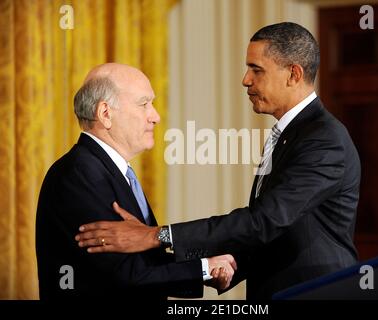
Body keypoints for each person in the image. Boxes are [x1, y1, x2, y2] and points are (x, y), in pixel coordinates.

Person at [75, 22, 361, 300]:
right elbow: (277, 228)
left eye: (256, 70)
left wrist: (157, 236)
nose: (245, 80)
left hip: (315, 291)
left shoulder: (324, 140)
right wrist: (225, 265)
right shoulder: (292, 134)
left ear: (293, 75)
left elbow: (266, 220)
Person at [35, 63, 236, 300]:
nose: (156, 116)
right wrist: (203, 267)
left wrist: (206, 269)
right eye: (144, 104)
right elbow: (122, 273)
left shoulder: (106, 170)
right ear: (105, 113)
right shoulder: (79, 174)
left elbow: (141, 260)